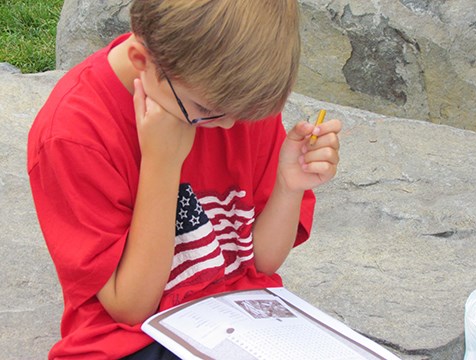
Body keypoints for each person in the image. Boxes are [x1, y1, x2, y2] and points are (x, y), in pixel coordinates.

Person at [27, 0, 342, 359]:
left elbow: (261, 263)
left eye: (240, 115)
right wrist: (162, 164)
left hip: (239, 320)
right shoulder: (74, 134)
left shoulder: (229, 103)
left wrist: (288, 187)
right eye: (207, 112)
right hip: (132, 338)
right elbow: (130, 308)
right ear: (140, 61)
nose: (227, 126)